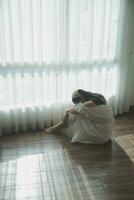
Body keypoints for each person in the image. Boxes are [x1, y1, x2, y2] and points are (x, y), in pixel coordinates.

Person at [44, 89, 114, 144]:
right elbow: (78, 107)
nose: (79, 103)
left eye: (79, 101)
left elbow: (73, 110)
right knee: (79, 112)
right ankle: (56, 128)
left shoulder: (88, 104)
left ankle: (55, 128)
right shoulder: (98, 96)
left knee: (75, 114)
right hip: (107, 132)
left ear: (82, 97)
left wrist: (66, 113)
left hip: (100, 136)